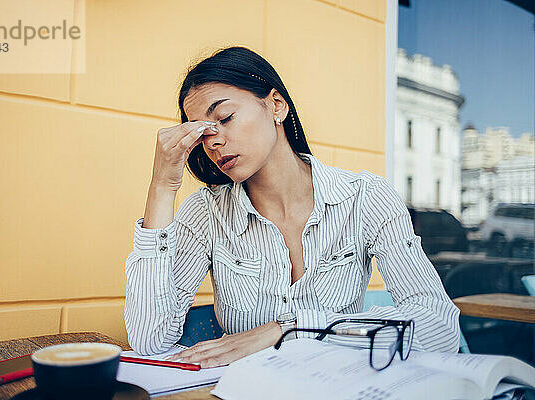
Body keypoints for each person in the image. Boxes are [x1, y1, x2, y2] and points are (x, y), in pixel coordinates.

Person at [124, 46, 460, 368]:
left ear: (277, 106)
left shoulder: (365, 198)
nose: (212, 141)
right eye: (201, 133)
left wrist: (290, 329)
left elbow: (438, 325)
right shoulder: (207, 212)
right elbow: (149, 339)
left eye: (224, 118)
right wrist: (162, 187)